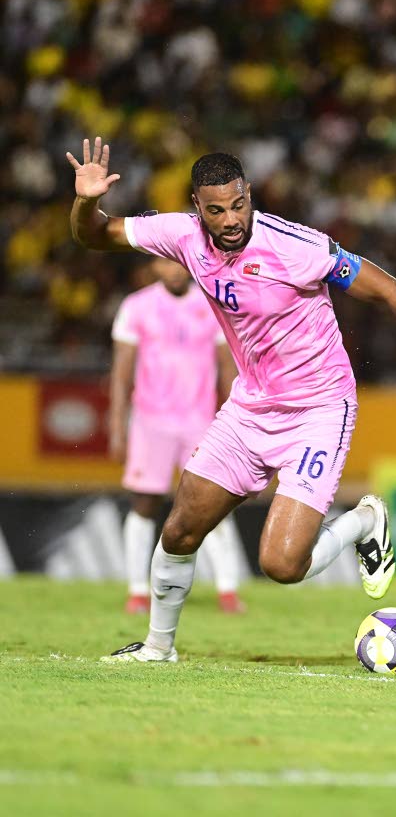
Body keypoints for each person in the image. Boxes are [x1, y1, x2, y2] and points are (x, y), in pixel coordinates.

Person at [67, 137, 396, 662]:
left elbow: (391, 290)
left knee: (281, 564)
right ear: (198, 209)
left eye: (239, 204)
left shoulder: (296, 246)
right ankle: (158, 648)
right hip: (249, 408)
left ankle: (362, 522)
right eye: (217, 210)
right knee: (181, 528)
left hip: (319, 410)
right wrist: (85, 201)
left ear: (249, 194)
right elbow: (95, 236)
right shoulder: (182, 236)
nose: (231, 219)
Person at [110, 256, 245, 615]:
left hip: (201, 423)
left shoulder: (211, 304)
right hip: (149, 422)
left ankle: (227, 589)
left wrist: (235, 423)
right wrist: (117, 426)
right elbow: (122, 372)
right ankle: (137, 589)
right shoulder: (136, 306)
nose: (173, 270)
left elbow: (228, 367)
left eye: (177, 263)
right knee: (144, 503)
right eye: (164, 263)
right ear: (154, 266)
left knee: (211, 504)